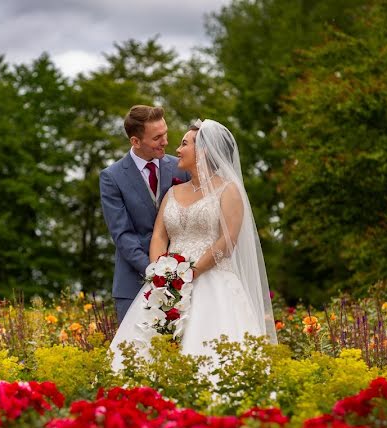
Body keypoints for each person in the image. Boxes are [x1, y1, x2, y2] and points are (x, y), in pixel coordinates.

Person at [110, 119, 277, 370]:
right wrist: (161, 275)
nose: (176, 149)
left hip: (212, 280)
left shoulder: (229, 191)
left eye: (184, 143)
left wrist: (192, 273)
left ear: (204, 150)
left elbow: (228, 240)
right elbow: (159, 236)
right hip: (168, 286)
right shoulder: (173, 193)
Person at [100, 105, 189, 324]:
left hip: (183, 282)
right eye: (157, 137)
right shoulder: (112, 177)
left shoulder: (181, 168)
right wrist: (157, 272)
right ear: (135, 141)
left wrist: (177, 273)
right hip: (134, 282)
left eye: (165, 133)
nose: (166, 142)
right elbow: (122, 235)